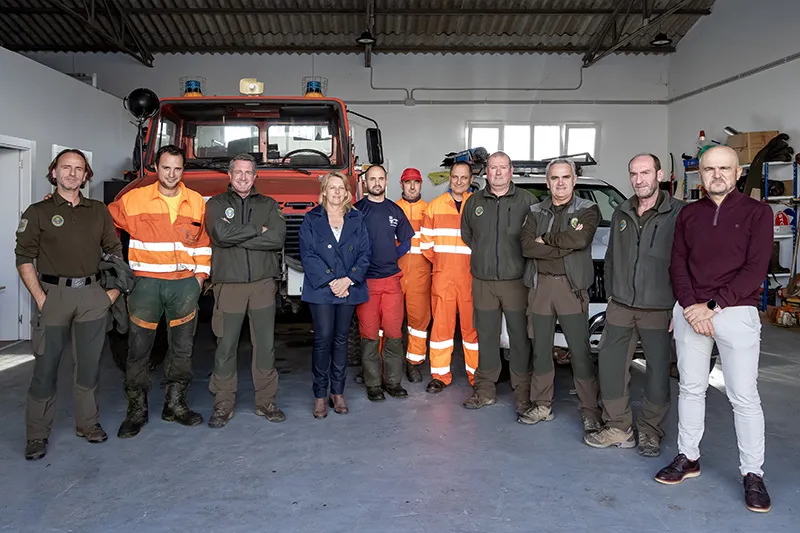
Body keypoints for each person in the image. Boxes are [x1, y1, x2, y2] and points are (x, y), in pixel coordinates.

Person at [655, 145, 773, 513]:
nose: (716, 175)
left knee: (744, 396)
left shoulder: (758, 212)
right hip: (691, 310)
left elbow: (755, 269)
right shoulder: (689, 214)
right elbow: (677, 264)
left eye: (724, 168)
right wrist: (691, 307)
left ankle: (753, 473)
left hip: (736, 311)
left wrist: (712, 306)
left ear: (738, 173)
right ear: (700, 175)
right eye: (709, 169)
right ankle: (688, 457)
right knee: (691, 388)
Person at [15, 149, 122, 460]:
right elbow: (24, 257)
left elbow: (114, 251)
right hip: (53, 296)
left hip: (92, 296)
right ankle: (37, 435)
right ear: (54, 172)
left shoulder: (98, 211)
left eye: (79, 168)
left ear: (86, 175)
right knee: (45, 369)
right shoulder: (38, 212)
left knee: (88, 367)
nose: (72, 173)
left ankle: (87, 424)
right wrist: (40, 298)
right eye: (66, 167)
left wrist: (111, 294)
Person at [108, 144, 212, 438]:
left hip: (184, 286)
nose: (172, 174)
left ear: (183, 170)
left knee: (182, 349)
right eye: (166, 167)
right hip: (146, 285)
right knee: (138, 349)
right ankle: (136, 410)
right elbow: (100, 220)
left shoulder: (196, 201)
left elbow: (203, 243)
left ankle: (175, 405)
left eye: (177, 168)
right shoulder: (134, 199)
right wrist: (68, 204)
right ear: (156, 168)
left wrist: (199, 278)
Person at [584, 153, 684, 456]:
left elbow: (690, 262)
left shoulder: (679, 213)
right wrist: (612, 294)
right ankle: (619, 427)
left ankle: (651, 431)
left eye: (645, 173)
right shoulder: (621, 212)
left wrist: (679, 305)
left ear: (659, 175)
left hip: (659, 307)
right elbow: (612, 258)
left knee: (657, 372)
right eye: (633, 174)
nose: (639, 180)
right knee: (611, 366)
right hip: (621, 306)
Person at [517, 158, 602, 436]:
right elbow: (527, 247)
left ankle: (590, 411)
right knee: (541, 349)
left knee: (580, 351)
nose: (561, 183)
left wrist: (546, 240)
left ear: (574, 180)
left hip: (571, 288)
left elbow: (580, 240)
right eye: (555, 178)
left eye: (566, 177)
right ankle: (542, 405)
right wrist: (563, 245)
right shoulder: (534, 211)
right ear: (548, 182)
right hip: (540, 288)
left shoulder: (588, 209)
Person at [204, 153, 287, 428]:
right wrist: (256, 230)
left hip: (262, 284)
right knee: (226, 345)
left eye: (248, 172)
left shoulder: (268, 204)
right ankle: (223, 402)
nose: (243, 177)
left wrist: (236, 238)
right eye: (238, 172)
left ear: (255, 176)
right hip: (229, 285)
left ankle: (266, 401)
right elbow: (220, 235)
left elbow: (277, 238)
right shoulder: (216, 204)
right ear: (229, 175)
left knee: (265, 345)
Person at [460, 151, 535, 413]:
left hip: (516, 281)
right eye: (493, 167)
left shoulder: (527, 200)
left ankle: (523, 392)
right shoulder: (474, 201)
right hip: (483, 281)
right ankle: (485, 390)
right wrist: (486, 257)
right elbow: (467, 235)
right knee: (487, 335)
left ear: (511, 171)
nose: (498, 172)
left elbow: (535, 237)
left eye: (503, 167)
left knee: (520, 337)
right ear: (486, 172)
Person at [299, 172, 371, 418]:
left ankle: (337, 392)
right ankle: (320, 394)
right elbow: (308, 254)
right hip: (322, 289)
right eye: (332, 187)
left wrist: (348, 280)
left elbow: (365, 253)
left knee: (341, 340)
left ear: (347, 192)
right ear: (324, 191)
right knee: (323, 339)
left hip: (348, 287)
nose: (337, 192)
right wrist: (332, 281)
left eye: (341, 188)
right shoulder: (311, 219)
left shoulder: (357, 218)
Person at [354, 165, 415, 401]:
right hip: (366, 282)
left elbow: (407, 241)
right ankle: (373, 383)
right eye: (372, 179)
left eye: (380, 178)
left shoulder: (395, 210)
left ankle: (393, 382)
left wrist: (391, 255)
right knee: (369, 334)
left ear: (386, 182)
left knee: (393, 333)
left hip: (391, 282)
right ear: (365, 182)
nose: (377, 183)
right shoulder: (356, 211)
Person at [419, 162, 479, 393]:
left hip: (471, 277)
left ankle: (476, 375)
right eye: (455, 177)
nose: (459, 181)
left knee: (472, 329)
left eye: (464, 177)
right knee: (441, 329)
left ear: (471, 180)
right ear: (449, 178)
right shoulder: (434, 207)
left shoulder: (478, 206)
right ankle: (440, 375)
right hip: (443, 277)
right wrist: (443, 264)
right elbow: (426, 245)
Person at [395, 168, 432, 383]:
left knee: (418, 323)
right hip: (394, 275)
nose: (411, 186)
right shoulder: (391, 209)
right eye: (407, 182)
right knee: (387, 322)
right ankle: (383, 363)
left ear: (420, 185)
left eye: (416, 182)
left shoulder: (430, 211)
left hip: (420, 276)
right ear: (401, 184)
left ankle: (414, 363)